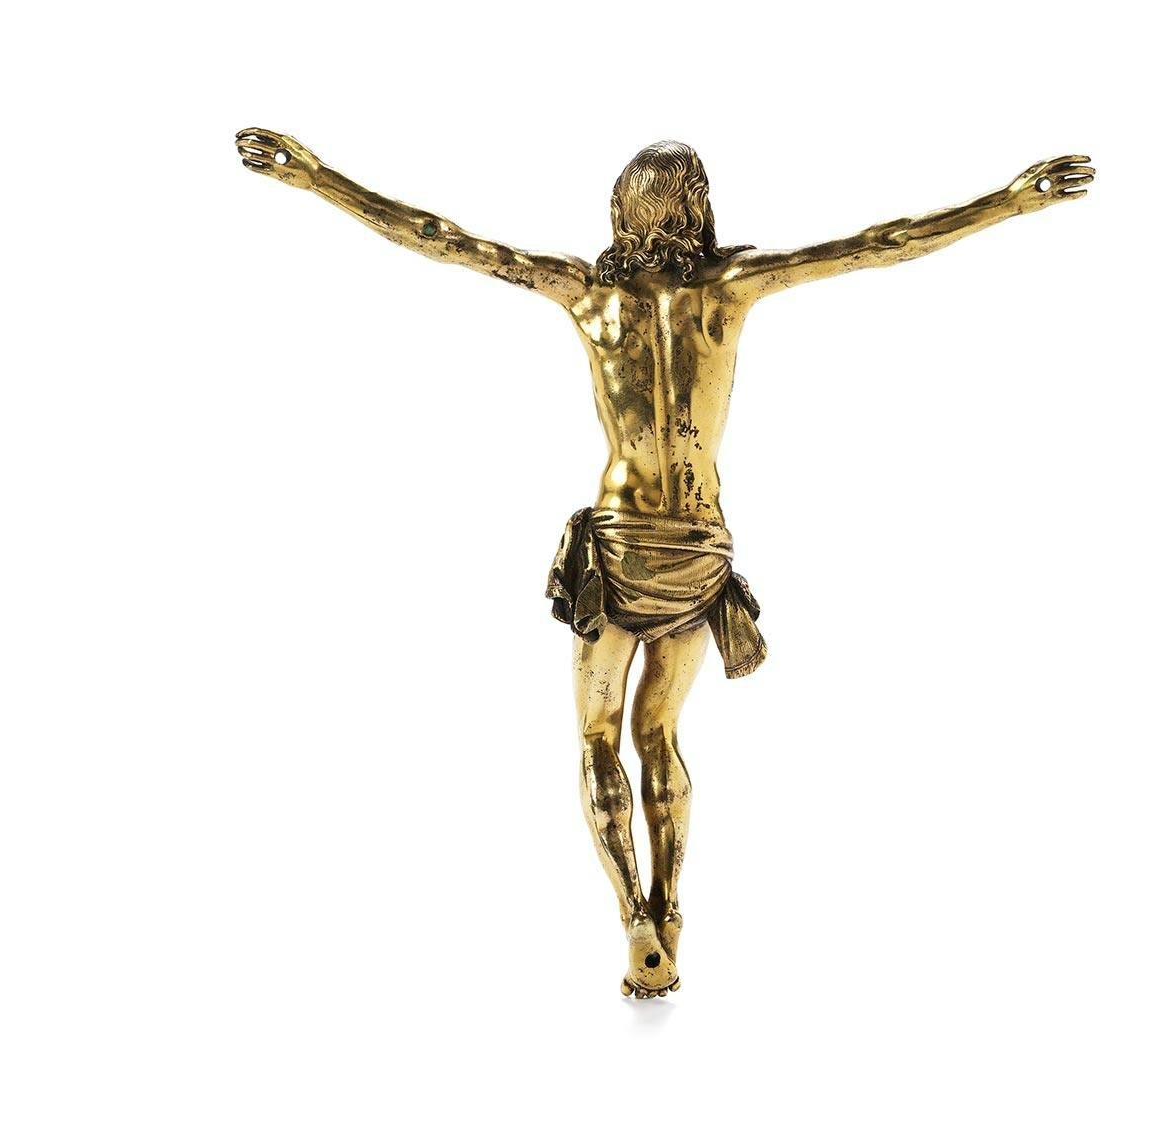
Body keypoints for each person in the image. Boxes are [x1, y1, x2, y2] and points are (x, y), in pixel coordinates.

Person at [237, 131, 1094, 996]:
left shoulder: (585, 291)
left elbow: (446, 239)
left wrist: (319, 179)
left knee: (596, 736)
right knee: (659, 735)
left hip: (618, 549)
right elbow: (881, 243)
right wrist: (1009, 200)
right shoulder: (731, 287)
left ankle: (634, 920)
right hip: (697, 551)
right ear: (700, 209)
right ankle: (672, 904)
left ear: (621, 210)